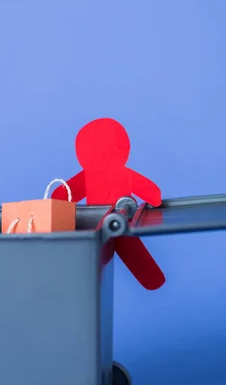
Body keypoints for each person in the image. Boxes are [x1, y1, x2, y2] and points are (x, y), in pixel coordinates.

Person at [51, 117, 165, 290]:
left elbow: (58, 198)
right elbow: (154, 196)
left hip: (106, 227)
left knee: (92, 272)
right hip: (104, 227)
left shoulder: (90, 176)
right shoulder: (109, 175)